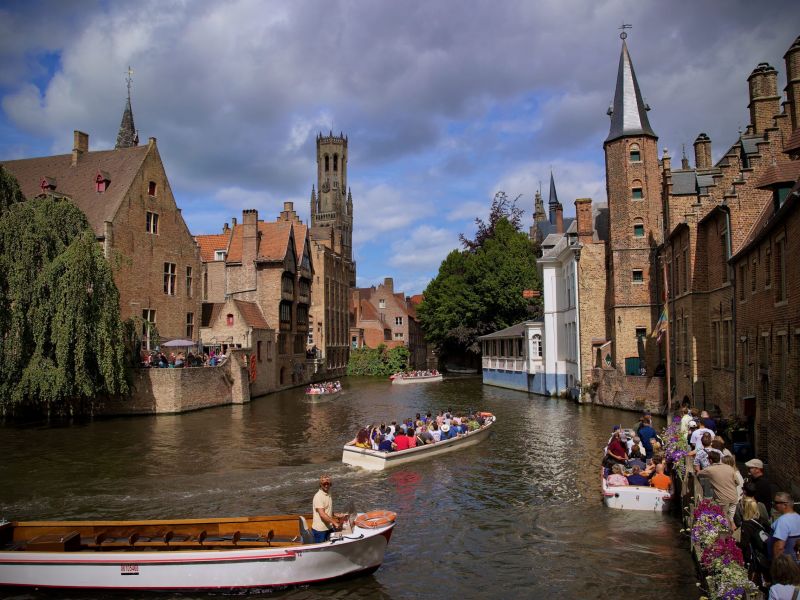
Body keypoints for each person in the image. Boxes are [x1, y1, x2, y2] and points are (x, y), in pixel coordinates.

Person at [698, 451, 739, 523]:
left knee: (723, 520)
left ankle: (728, 532)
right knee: (730, 519)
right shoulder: (729, 467)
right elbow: (737, 482)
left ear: (710, 460)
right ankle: (733, 531)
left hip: (722, 499)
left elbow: (698, 474)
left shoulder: (709, 470)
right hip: (734, 497)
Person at [311, 474, 344, 543]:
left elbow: (327, 509)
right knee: (320, 550)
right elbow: (322, 514)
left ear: (330, 484)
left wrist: (336, 514)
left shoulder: (329, 493)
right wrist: (335, 523)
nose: (326, 485)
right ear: (320, 484)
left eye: (327, 483)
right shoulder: (318, 496)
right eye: (324, 484)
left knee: (336, 541)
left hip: (329, 527)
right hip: (320, 530)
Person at [771, 492, 800, 560]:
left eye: (776, 502)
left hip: (786, 563)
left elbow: (779, 547)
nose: (774, 504)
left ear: (785, 505)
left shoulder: (783, 521)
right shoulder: (798, 517)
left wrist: (776, 565)